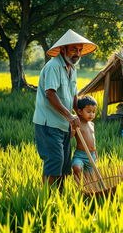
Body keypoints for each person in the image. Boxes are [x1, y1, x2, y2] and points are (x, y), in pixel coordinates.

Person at [33, 29, 97, 188]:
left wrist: (80, 116)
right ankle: (47, 196)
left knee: (64, 163)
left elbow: (74, 95)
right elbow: (50, 93)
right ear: (63, 49)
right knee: (55, 160)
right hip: (49, 123)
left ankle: (59, 195)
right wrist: (70, 116)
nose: (78, 53)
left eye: (80, 50)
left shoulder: (72, 68)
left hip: (65, 124)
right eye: (74, 49)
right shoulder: (53, 66)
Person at [71, 95, 98, 179]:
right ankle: (77, 184)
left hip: (92, 155)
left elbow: (93, 140)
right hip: (80, 154)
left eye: (93, 112)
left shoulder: (92, 124)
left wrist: (95, 152)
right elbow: (71, 136)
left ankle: (85, 190)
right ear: (79, 111)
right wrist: (73, 129)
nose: (91, 114)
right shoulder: (78, 124)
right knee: (76, 167)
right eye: (89, 112)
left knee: (89, 178)